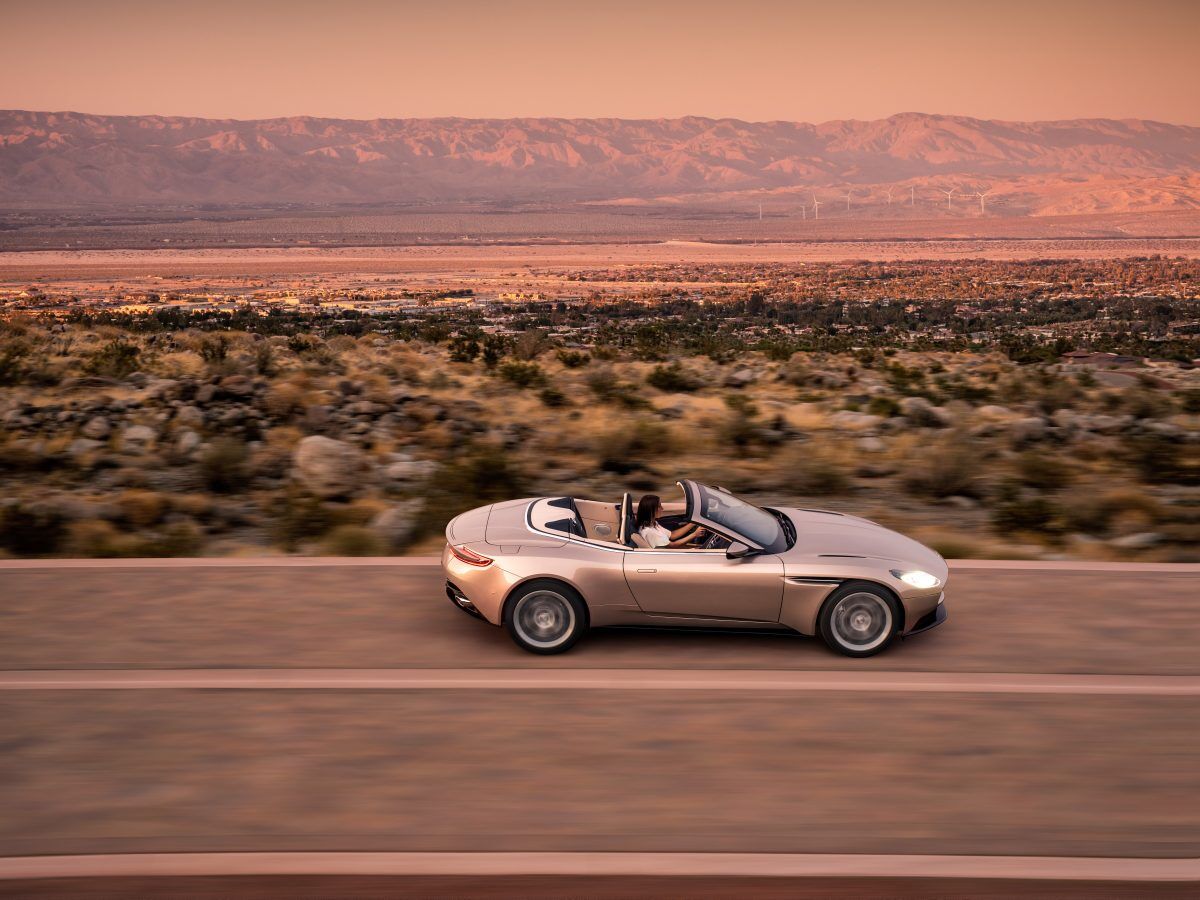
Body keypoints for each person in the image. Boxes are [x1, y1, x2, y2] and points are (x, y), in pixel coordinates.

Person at [635, 494, 707, 549]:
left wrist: (693, 523)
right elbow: (672, 546)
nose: (662, 509)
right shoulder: (649, 532)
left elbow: (672, 535)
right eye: (659, 506)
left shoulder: (653, 523)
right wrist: (695, 534)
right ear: (651, 510)